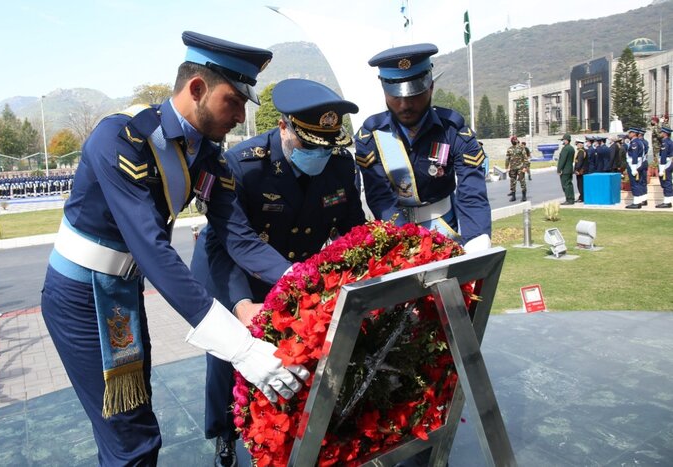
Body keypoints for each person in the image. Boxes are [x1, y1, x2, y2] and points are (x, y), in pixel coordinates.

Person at [40, 31, 310, 466]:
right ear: (198, 89)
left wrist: (308, 282)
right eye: (235, 101)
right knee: (132, 439)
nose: (241, 117)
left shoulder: (204, 154)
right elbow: (152, 251)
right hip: (81, 297)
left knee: (132, 425)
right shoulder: (121, 139)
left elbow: (238, 236)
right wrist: (238, 347)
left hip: (121, 293)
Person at [191, 78, 367, 467]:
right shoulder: (242, 166)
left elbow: (353, 230)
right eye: (309, 145)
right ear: (284, 126)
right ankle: (225, 431)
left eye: (326, 145)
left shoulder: (338, 166)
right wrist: (240, 304)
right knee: (229, 357)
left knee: (294, 352)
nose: (319, 155)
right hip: (233, 272)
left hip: (293, 271)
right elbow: (225, 245)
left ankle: (287, 429)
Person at [353, 44, 491, 253]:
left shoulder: (453, 130)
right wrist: (404, 243)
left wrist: (477, 239)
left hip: (445, 230)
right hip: (396, 234)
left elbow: (471, 192)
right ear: (384, 90)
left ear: (431, 87)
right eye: (396, 96)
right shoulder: (371, 136)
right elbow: (380, 198)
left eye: (414, 95)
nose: (404, 105)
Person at [625, 127, 649, 209]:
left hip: (634, 164)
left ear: (634, 133)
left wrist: (634, 168)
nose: (629, 134)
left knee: (635, 183)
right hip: (640, 164)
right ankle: (641, 199)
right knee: (640, 183)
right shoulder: (639, 141)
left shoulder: (635, 142)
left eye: (630, 132)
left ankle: (636, 202)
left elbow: (634, 155)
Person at [505, 135, 528, 202]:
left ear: (516, 140)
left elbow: (525, 158)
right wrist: (506, 167)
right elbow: (507, 159)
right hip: (512, 168)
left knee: (522, 181)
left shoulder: (521, 148)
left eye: (514, 140)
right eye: (513, 140)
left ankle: (524, 196)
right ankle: (513, 196)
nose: (514, 141)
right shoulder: (509, 149)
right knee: (512, 182)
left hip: (520, 167)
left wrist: (525, 167)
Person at [656, 126, 672, 208]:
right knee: (666, 182)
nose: (661, 133)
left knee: (666, 183)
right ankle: (667, 201)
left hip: (666, 164)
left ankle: (667, 202)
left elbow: (663, 156)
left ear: (665, 133)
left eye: (662, 132)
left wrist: (661, 169)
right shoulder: (668, 141)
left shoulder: (665, 142)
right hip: (667, 163)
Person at [556, 133, 575, 205]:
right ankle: (571, 198)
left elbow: (562, 160)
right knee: (569, 184)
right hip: (569, 168)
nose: (562, 141)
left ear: (566, 140)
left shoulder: (565, 148)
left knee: (565, 185)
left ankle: (569, 199)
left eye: (563, 140)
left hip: (565, 170)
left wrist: (559, 169)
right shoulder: (571, 148)